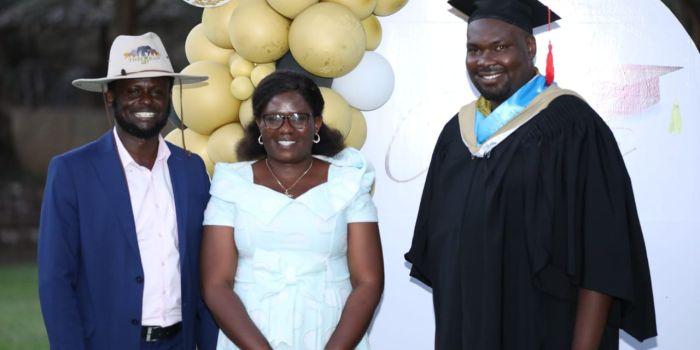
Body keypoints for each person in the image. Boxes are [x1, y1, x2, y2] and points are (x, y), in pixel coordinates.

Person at [404, 1, 657, 349]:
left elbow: (604, 258)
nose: (484, 60)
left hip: (544, 332)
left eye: (500, 47)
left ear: (530, 47)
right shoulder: (457, 134)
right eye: (473, 49)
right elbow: (443, 262)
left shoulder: (573, 128)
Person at [38, 32, 218, 349]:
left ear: (170, 96)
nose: (146, 101)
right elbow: (55, 281)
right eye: (133, 90)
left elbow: (203, 271)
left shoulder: (191, 171)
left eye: (156, 91)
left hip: (180, 341)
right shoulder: (72, 172)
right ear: (110, 95)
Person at [201, 70, 384, 350]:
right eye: (273, 118)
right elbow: (216, 285)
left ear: (317, 124)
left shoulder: (348, 182)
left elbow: (368, 282)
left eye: (299, 117)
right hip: (249, 335)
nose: (286, 128)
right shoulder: (231, 185)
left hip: (332, 332)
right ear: (259, 125)